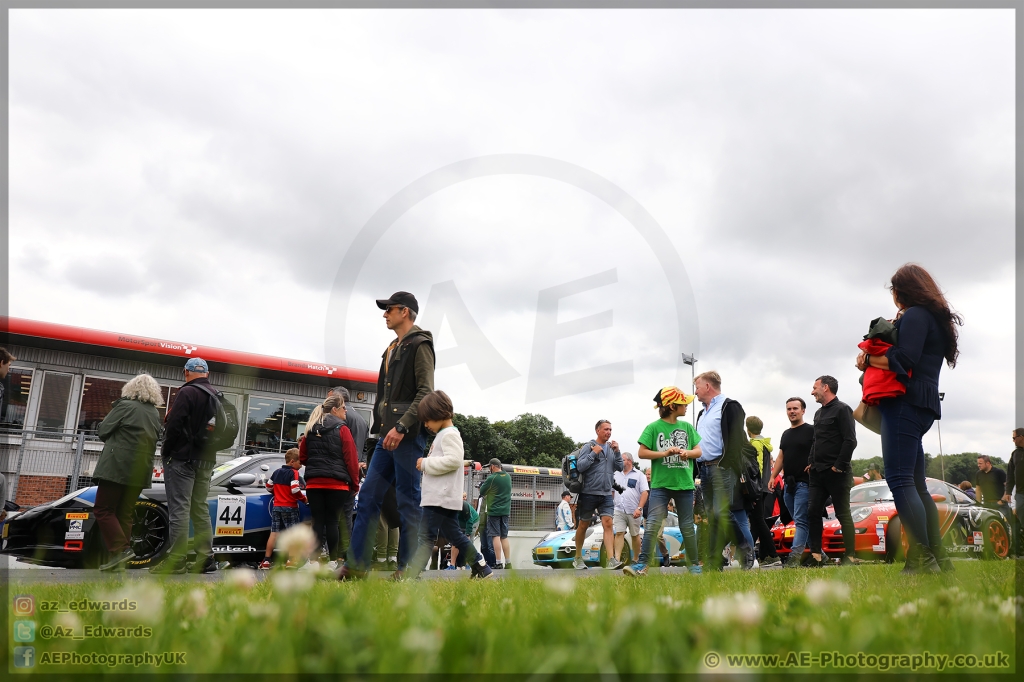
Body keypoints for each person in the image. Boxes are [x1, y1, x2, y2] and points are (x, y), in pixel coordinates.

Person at [856, 264, 962, 573]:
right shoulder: (934, 319)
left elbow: (903, 359)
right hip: (922, 404)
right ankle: (939, 558)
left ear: (901, 291)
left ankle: (922, 558)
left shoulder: (916, 315)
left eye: (893, 291)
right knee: (916, 484)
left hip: (904, 402)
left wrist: (866, 360)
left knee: (900, 480)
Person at [340, 292, 434, 581]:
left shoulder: (420, 344)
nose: (385, 314)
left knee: (408, 501)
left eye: (389, 309)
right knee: (367, 498)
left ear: (405, 311)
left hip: (407, 436)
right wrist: (378, 432)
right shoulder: (391, 348)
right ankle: (355, 566)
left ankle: (408, 568)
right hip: (385, 437)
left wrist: (402, 426)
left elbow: (426, 393)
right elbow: (382, 397)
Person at [410, 390, 492, 579]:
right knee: (455, 535)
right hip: (443, 497)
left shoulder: (448, 435)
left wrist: (425, 463)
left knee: (425, 537)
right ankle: (481, 566)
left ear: (437, 414)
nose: (426, 425)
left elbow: (453, 461)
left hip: (439, 497)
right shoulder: (445, 434)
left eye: (427, 420)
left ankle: (412, 574)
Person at [152, 358, 221, 574]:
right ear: (207, 374)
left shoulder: (187, 393)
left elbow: (175, 424)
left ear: (186, 372)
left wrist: (166, 450)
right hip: (206, 459)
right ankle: (205, 559)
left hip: (182, 458)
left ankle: (177, 560)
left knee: (179, 508)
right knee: (199, 507)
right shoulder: (217, 395)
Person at [625, 387, 701, 577]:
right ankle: (641, 565)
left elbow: (698, 451)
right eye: (683, 403)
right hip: (660, 485)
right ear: (673, 406)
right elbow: (642, 452)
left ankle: (694, 566)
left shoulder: (687, 428)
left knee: (687, 526)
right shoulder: (653, 427)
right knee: (652, 525)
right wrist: (664, 453)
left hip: (684, 484)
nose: (686, 406)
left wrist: (687, 453)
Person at [93, 374, 164, 572]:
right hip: (140, 469)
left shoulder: (124, 406)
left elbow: (103, 431)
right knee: (125, 513)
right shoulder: (153, 413)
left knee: (103, 509)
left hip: (117, 465)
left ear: (131, 388)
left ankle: (121, 550)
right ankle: (119, 559)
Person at [692, 371, 755, 571]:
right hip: (705, 468)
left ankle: (744, 547)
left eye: (697, 387)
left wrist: (726, 464)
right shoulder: (702, 413)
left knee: (720, 511)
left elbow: (737, 438)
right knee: (713, 516)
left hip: (722, 467)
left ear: (708, 387)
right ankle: (713, 561)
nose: (695, 392)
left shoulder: (730, 406)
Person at [805, 375, 860, 567]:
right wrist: (811, 461)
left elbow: (850, 440)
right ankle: (816, 556)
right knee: (812, 511)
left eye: (815, 388)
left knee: (843, 513)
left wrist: (839, 465)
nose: (812, 392)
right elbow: (816, 441)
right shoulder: (818, 414)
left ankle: (850, 557)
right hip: (817, 473)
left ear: (825, 388)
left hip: (837, 473)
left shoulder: (843, 409)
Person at [300, 394, 360, 571]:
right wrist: (354, 484)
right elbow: (351, 459)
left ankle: (313, 562)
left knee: (317, 522)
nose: (345, 410)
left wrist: (317, 463)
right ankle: (333, 561)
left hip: (314, 483)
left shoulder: (310, 428)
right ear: (335, 410)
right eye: (343, 408)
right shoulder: (343, 429)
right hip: (338, 485)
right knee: (333, 522)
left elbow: (302, 456)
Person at [573, 420, 625, 570]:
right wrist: (593, 453)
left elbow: (620, 467)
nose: (609, 432)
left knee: (608, 524)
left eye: (610, 429)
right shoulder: (588, 446)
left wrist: (617, 451)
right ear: (597, 431)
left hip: (606, 493)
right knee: (583, 525)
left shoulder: (611, 448)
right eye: (606, 429)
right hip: (589, 493)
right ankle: (577, 557)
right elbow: (581, 466)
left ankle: (611, 560)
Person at [769, 397, 814, 567]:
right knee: (800, 521)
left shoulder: (811, 430)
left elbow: (822, 449)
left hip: (805, 483)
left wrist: (815, 463)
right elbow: (781, 456)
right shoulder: (786, 434)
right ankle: (821, 555)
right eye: (789, 409)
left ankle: (794, 558)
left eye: (795, 408)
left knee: (801, 520)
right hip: (789, 484)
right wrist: (773, 476)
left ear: (803, 410)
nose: (792, 411)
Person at [260, 448, 307, 569]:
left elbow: (268, 486)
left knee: (274, 533)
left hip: (277, 506)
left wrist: (276, 493)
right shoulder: (294, 473)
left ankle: (266, 561)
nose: (301, 466)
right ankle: (291, 561)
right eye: (300, 463)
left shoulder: (276, 472)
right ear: (292, 462)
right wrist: (304, 499)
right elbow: (295, 489)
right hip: (290, 507)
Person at [745, 416, 781, 567]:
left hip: (757, 487)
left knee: (758, 521)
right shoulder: (765, 444)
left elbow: (756, 467)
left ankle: (773, 555)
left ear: (748, 429)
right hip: (764, 486)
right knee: (755, 522)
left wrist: (753, 487)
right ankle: (749, 555)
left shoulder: (755, 444)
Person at [612, 452, 649, 563]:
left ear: (629, 461)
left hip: (634, 511)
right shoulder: (616, 474)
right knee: (619, 533)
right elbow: (612, 491)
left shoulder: (639, 475)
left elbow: (645, 493)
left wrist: (639, 508)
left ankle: (636, 559)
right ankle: (617, 559)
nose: (620, 462)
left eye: (622, 460)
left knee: (635, 535)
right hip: (619, 509)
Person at [478, 458, 512, 568]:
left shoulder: (492, 478)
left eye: (489, 467)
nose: (489, 469)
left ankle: (498, 562)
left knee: (495, 536)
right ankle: (508, 562)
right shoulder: (507, 477)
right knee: (504, 536)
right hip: (506, 511)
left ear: (492, 466)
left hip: (494, 511)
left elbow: (482, 491)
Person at [331, 386, 369, 471]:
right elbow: (365, 447)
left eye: (330, 399)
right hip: (357, 467)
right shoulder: (362, 420)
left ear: (339, 398)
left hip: (341, 467)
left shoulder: (338, 416)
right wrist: (361, 462)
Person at [1003, 429, 1024, 557]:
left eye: (1014, 438)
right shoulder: (1015, 454)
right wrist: (1008, 492)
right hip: (1021, 493)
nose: (1013, 440)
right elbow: (1010, 475)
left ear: (1021, 437)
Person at [449, 492, 479, 568]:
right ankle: (452, 565)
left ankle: (468, 564)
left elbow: (470, 520)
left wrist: (468, 534)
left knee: (468, 542)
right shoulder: (448, 506)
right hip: (461, 522)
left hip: (472, 521)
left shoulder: (464, 505)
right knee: (455, 542)